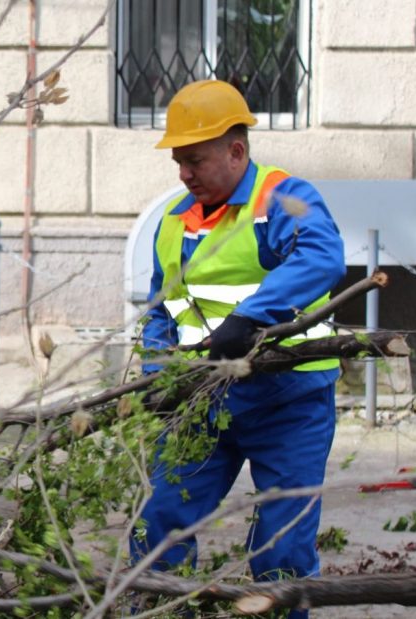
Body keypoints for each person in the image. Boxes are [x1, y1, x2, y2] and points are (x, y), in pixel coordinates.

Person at [132, 80, 345, 616]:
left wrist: (251, 317)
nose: (184, 173)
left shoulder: (280, 199)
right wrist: (159, 370)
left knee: (281, 551)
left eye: (195, 160)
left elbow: (321, 257)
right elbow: (164, 310)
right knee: (159, 527)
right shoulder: (171, 223)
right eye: (179, 161)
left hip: (288, 401)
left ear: (236, 151)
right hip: (201, 401)